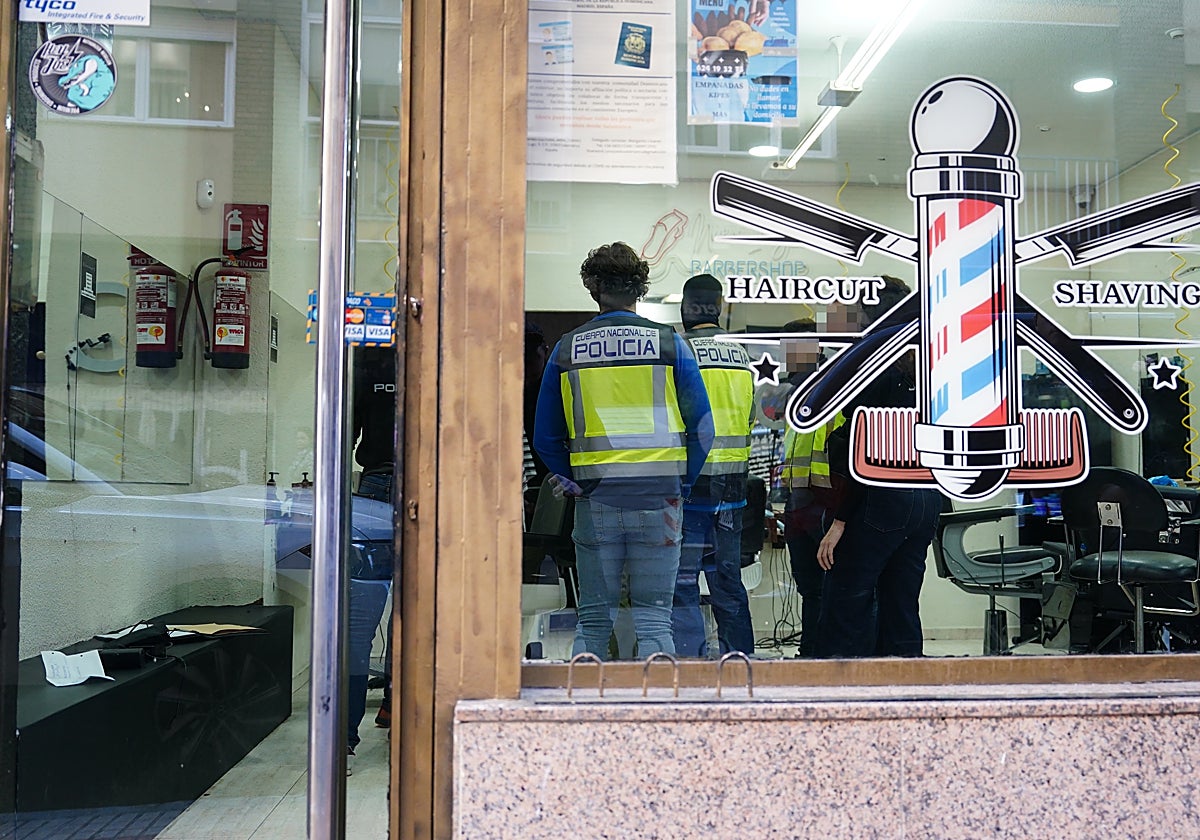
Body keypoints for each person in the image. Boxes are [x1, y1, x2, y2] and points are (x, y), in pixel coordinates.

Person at [534, 242, 713, 659]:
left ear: (593, 289)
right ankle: (657, 702)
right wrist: (681, 483)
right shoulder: (670, 344)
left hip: (596, 500)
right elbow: (703, 429)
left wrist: (575, 482)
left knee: (593, 620)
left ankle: (585, 701)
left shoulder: (566, 349)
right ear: (640, 289)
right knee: (655, 620)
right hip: (659, 499)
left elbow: (545, 438)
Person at [815, 276, 943, 658]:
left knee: (846, 609)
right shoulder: (930, 365)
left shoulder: (872, 367)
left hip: (877, 499)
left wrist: (840, 522)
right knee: (901, 609)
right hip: (925, 498)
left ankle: (842, 692)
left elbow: (864, 449)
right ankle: (907, 688)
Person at [671, 273, 756, 657]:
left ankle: (691, 665)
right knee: (727, 582)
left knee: (683, 581)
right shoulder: (741, 355)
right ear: (718, 307)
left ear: (686, 307)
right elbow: (749, 417)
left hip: (690, 488)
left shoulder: (680, 351)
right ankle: (740, 663)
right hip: (732, 490)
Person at [776, 318, 846, 657]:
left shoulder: (832, 385)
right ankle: (810, 656)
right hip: (800, 502)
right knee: (811, 588)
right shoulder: (796, 394)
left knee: (833, 586)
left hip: (826, 501)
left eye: (791, 347)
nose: (785, 354)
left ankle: (832, 659)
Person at [348, 346, 397, 755]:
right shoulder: (444, 350)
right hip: (430, 485)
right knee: (419, 615)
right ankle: (397, 708)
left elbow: (343, 434)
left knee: (359, 622)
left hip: (375, 487)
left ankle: (343, 738)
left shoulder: (369, 358)